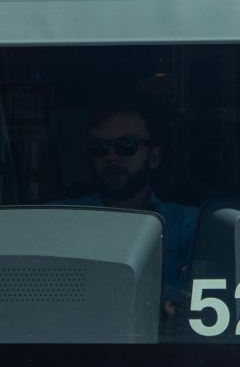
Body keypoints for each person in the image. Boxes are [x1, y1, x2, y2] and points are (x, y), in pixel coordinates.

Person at [80, 103, 199, 309]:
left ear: (154, 157)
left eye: (127, 147)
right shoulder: (55, 219)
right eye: (99, 149)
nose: (111, 157)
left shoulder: (193, 225)